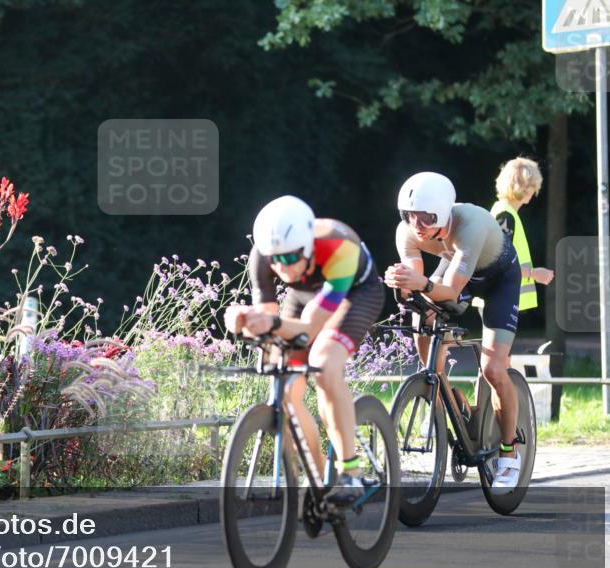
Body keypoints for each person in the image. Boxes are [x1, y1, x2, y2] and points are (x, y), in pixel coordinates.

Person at [224, 196, 384, 504]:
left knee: (324, 365)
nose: (281, 267)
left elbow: (309, 328)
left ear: (308, 247)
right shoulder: (263, 254)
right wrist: (244, 321)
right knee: (285, 390)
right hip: (304, 295)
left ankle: (350, 471)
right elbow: (269, 323)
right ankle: (319, 480)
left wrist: (270, 322)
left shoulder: (340, 248)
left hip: (355, 295)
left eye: (289, 257)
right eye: (274, 259)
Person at [384, 172, 523, 494]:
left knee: (493, 369)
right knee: (423, 315)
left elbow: (450, 290)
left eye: (426, 217)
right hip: (458, 271)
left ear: (443, 213)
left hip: (499, 280)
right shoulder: (406, 232)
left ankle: (509, 451)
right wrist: (403, 283)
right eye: (409, 215)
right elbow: (419, 286)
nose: (417, 225)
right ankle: (445, 396)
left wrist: (421, 284)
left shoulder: (470, 224)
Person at [490, 158, 554, 307]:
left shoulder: (504, 211)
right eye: (533, 185)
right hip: (500, 302)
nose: (536, 190)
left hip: (502, 301)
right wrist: (533, 273)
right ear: (524, 187)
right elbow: (499, 265)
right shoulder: (505, 215)